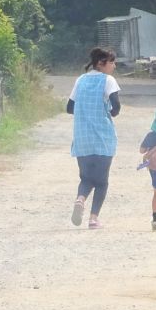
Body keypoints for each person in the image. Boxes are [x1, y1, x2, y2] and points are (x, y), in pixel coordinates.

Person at [67, 47, 120, 229]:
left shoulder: (80, 80)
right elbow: (117, 108)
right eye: (111, 62)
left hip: (82, 139)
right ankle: (93, 219)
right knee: (102, 182)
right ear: (101, 63)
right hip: (102, 139)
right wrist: (107, 112)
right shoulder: (108, 80)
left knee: (86, 178)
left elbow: (69, 107)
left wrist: (85, 112)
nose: (114, 66)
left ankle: (80, 199)